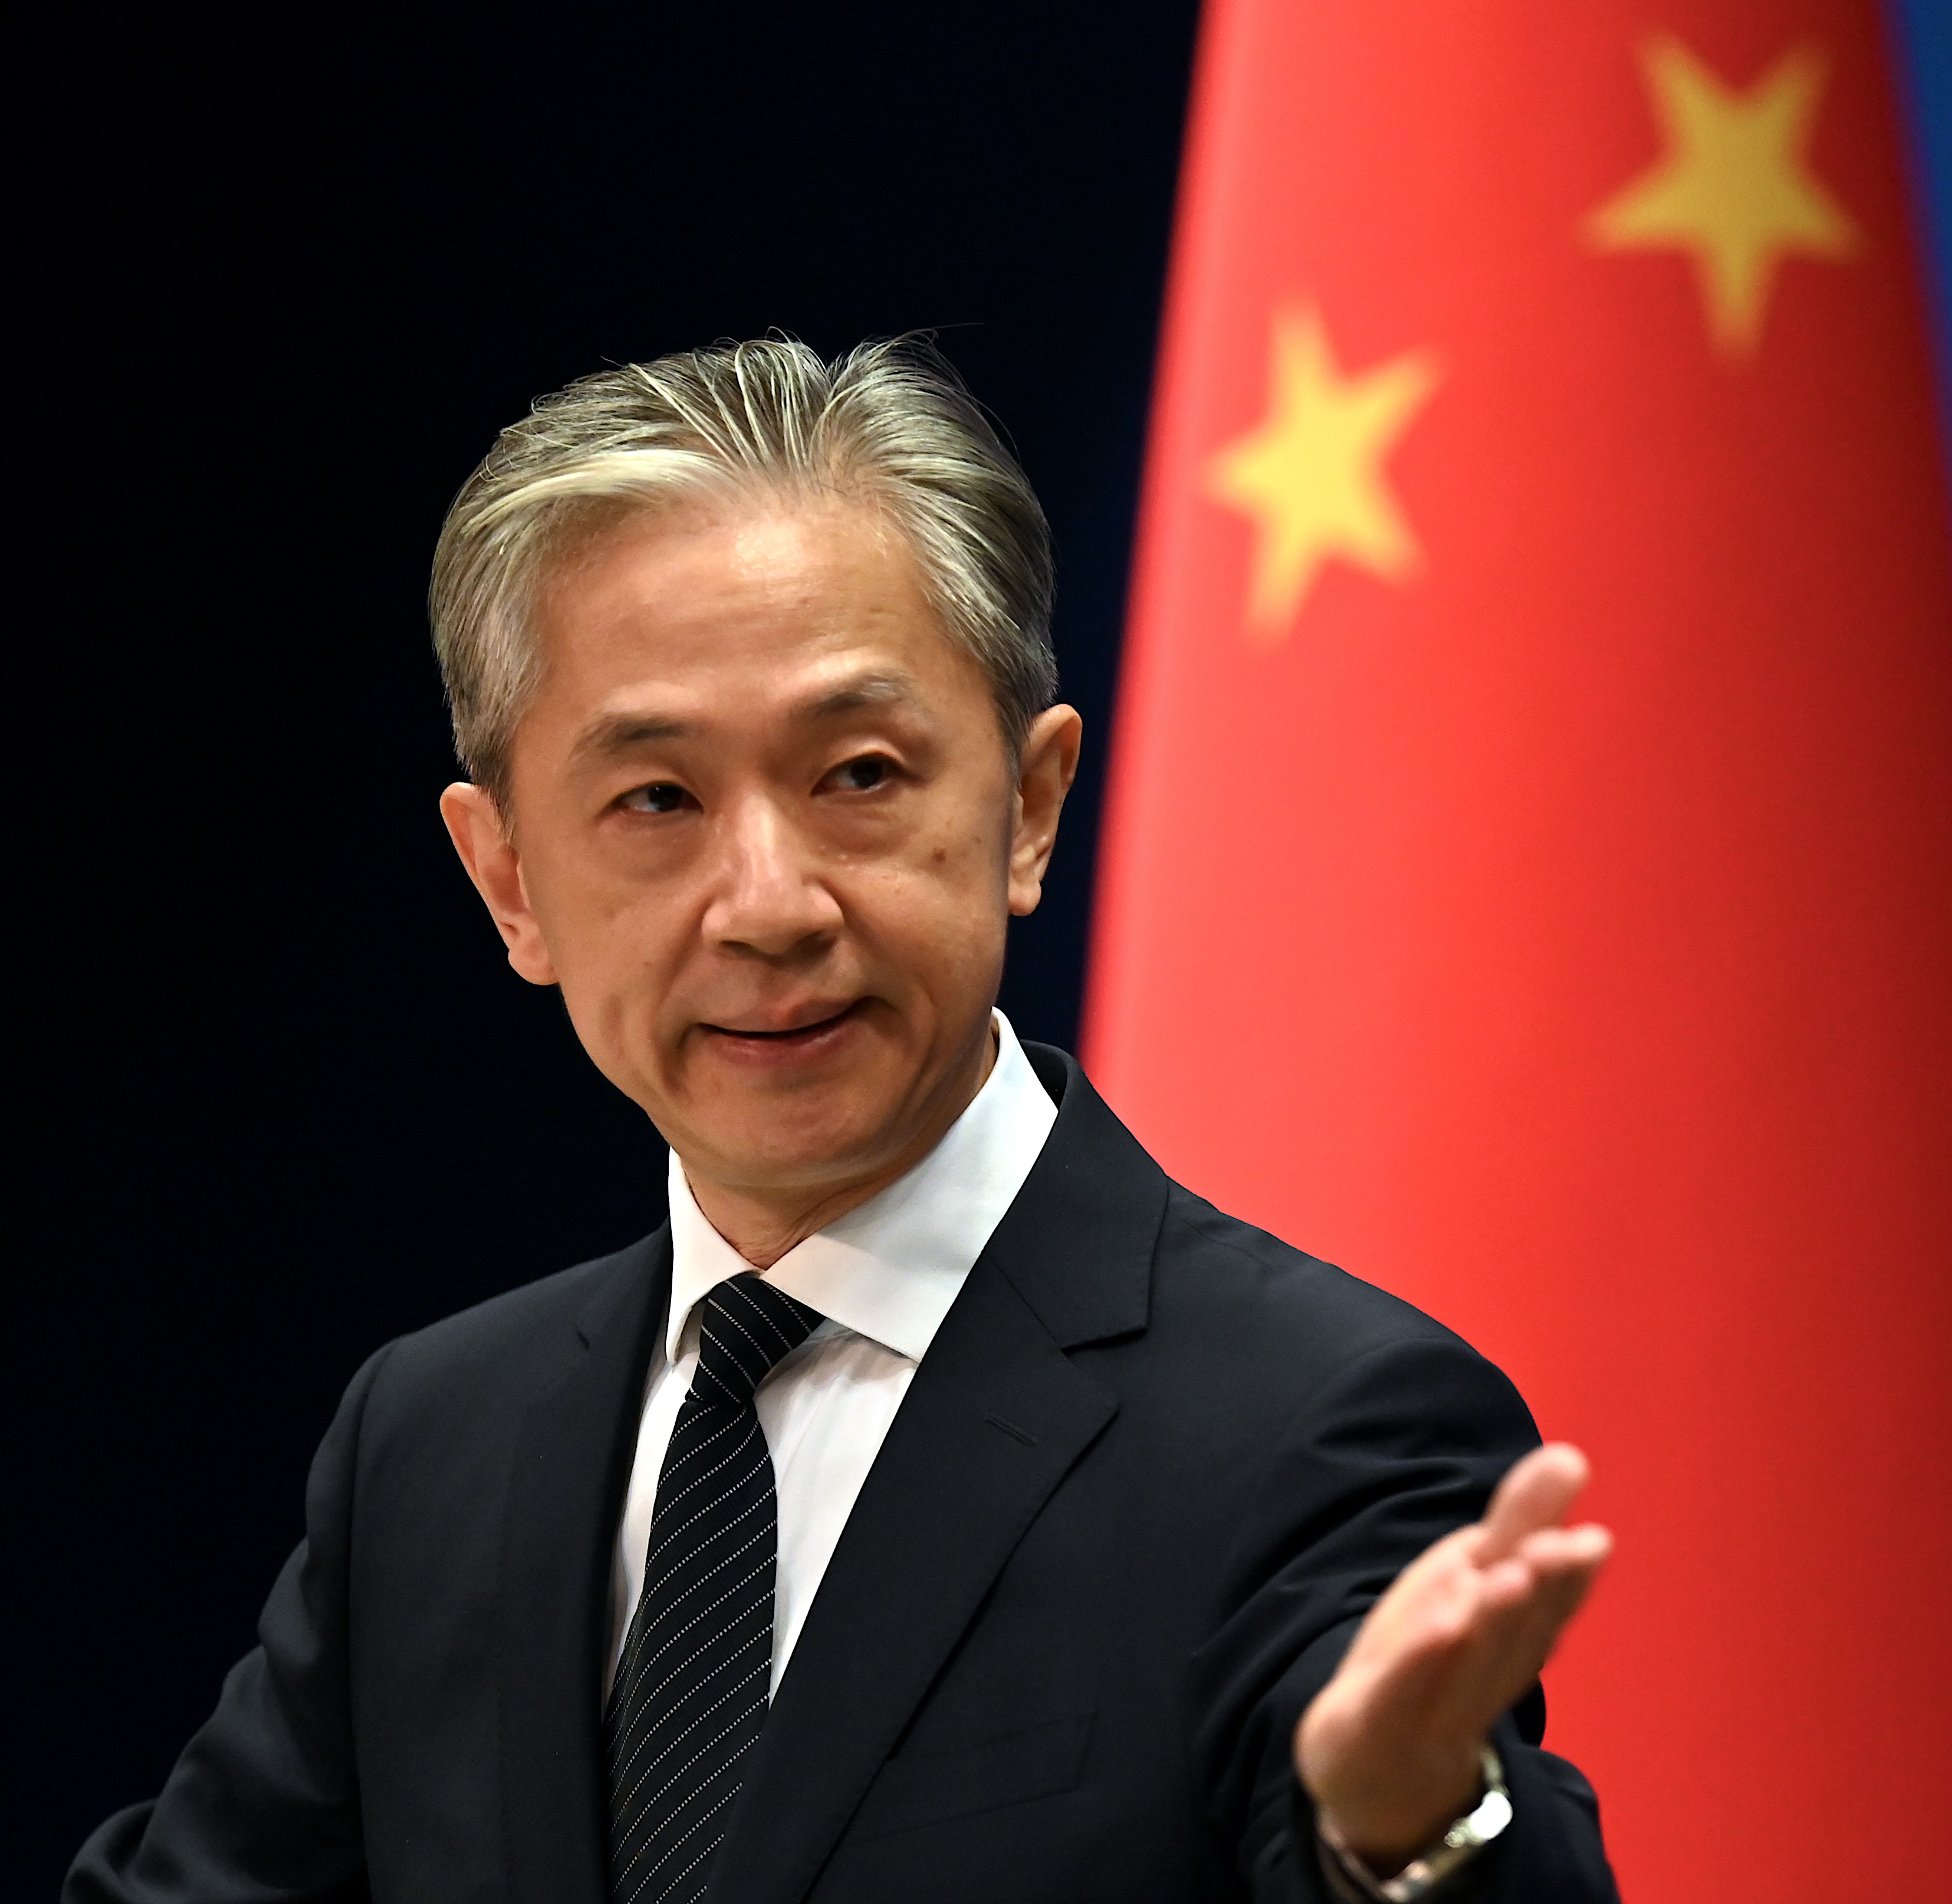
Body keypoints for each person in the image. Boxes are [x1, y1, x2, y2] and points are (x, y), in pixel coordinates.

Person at [67, 338, 1616, 1904]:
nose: (767, 904)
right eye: (656, 801)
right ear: (511, 881)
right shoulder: (434, 1443)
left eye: (858, 774)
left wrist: (1413, 1827)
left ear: (1029, 803)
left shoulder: (1318, 1420)